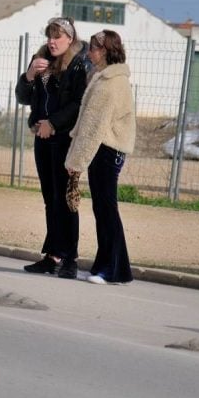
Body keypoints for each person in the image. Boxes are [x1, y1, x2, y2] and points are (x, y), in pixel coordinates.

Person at [15, 16, 89, 279]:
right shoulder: (41, 58)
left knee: (66, 199)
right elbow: (23, 97)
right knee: (50, 199)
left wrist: (53, 123)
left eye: (57, 36)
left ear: (70, 38)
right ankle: (52, 255)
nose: (52, 41)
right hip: (42, 138)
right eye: (49, 35)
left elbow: (80, 102)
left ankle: (70, 258)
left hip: (64, 138)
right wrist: (30, 75)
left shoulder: (80, 63)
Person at [66, 30, 136, 285]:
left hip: (107, 150)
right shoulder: (102, 77)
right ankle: (107, 266)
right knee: (102, 209)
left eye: (94, 48)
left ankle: (113, 270)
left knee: (107, 210)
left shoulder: (110, 82)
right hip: (103, 149)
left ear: (105, 50)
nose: (89, 52)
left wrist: (75, 162)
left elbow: (94, 126)